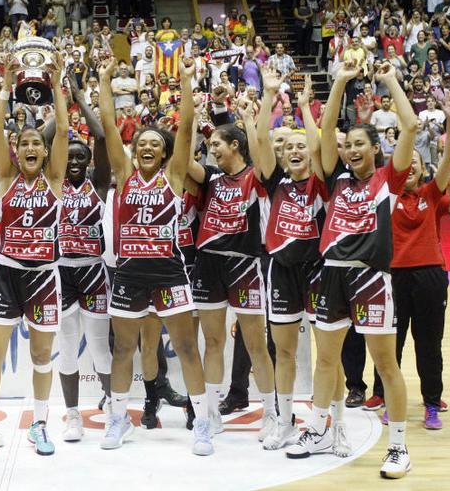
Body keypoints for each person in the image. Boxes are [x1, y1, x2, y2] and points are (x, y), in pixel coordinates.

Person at [285, 60, 415, 480]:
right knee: (326, 361)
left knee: (385, 364)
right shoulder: (335, 180)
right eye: (348, 144)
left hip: (371, 277)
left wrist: (391, 81)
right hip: (332, 275)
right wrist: (339, 80)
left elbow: (410, 128)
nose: (352, 149)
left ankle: (398, 445)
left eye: (361, 143)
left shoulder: (387, 180)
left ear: (374, 149)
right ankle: (320, 429)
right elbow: (322, 134)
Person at [97, 57, 213, 454]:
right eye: (141, 144)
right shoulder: (125, 174)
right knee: (124, 350)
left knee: (185, 348)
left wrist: (183, 83)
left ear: (164, 155)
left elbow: (183, 130)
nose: (148, 147)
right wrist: (103, 81)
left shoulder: (174, 176)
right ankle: (117, 420)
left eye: (155, 145)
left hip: (169, 271)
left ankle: (202, 423)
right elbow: (110, 126)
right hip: (129, 273)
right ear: (133, 152)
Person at [0, 51, 69, 460]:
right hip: (8, 274)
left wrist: (57, 83)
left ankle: (41, 423)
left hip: (44, 275)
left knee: (41, 355)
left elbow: (62, 129)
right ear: (16, 152)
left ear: (43, 153)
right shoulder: (7, 177)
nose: (30, 146)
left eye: (35, 144)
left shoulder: (56, 180)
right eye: (23, 143)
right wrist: (8, 85)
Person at [252, 71, 349, 453]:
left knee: (328, 354)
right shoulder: (275, 181)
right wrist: (269, 94)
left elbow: (320, 140)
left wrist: (307, 107)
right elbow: (260, 138)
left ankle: (336, 425)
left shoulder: (325, 180)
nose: (295, 150)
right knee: (285, 352)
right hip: (281, 271)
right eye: (287, 146)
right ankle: (284, 420)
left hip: (319, 271)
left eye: (301, 146)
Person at [365, 90, 450, 429]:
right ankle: (385, 396)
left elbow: (449, 159)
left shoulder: (430, 193)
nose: (409, 167)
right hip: (390, 277)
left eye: (416, 165)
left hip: (428, 277)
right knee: (388, 343)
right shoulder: (385, 195)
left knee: (428, 343)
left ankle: (432, 403)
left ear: (424, 170)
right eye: (404, 164)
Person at [186, 96, 278, 442]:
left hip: (244, 264)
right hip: (208, 264)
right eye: (209, 146)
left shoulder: (256, 178)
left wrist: (249, 119)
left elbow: (262, 149)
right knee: (212, 342)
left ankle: (271, 413)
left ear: (235, 145)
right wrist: (192, 120)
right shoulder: (209, 177)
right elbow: (181, 164)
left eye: (215, 145)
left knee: (256, 344)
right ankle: (210, 414)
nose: (211, 151)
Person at [49, 65, 112, 442]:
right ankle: (72, 415)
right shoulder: (52, 184)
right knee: (68, 346)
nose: (73, 162)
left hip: (93, 270)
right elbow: (43, 142)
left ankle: (112, 404)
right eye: (67, 157)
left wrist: (75, 90)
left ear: (87, 162)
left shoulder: (98, 185)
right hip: (60, 271)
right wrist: (56, 106)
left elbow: (102, 135)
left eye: (79, 158)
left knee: (101, 348)